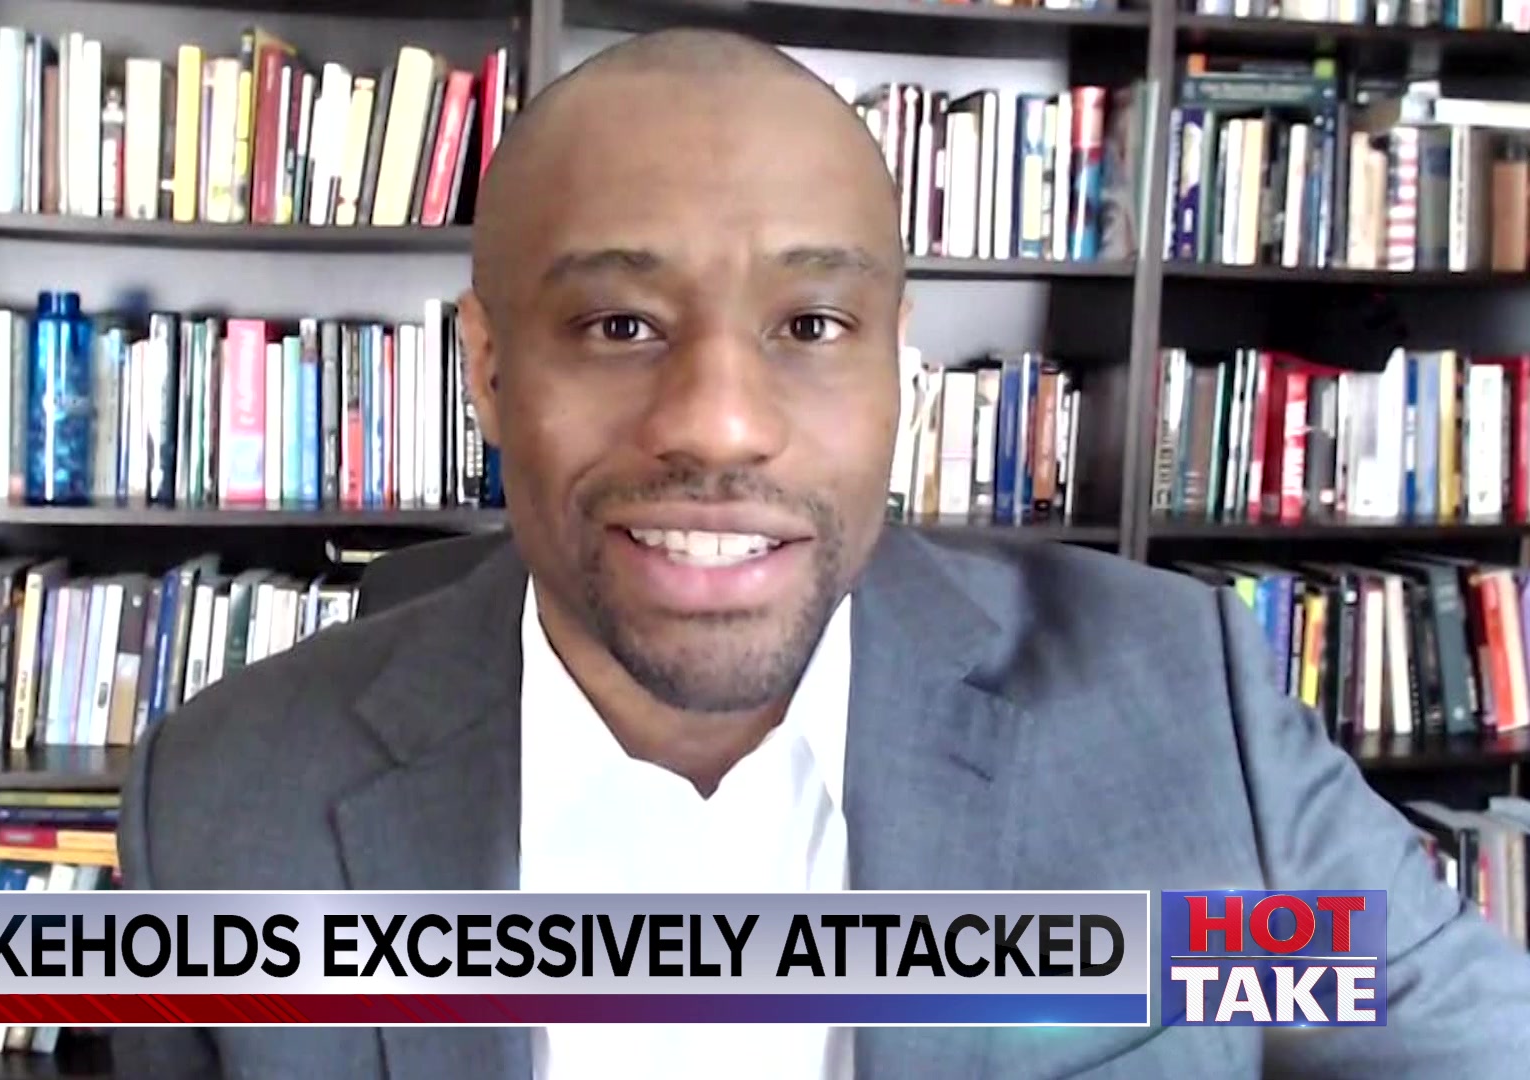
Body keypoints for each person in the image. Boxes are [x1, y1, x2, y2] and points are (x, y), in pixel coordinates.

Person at [116, 27, 1530, 1080]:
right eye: (619, 326)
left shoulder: (1186, 718)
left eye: (811, 327)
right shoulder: (224, 800)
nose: (720, 425)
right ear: (485, 370)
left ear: (895, 360)